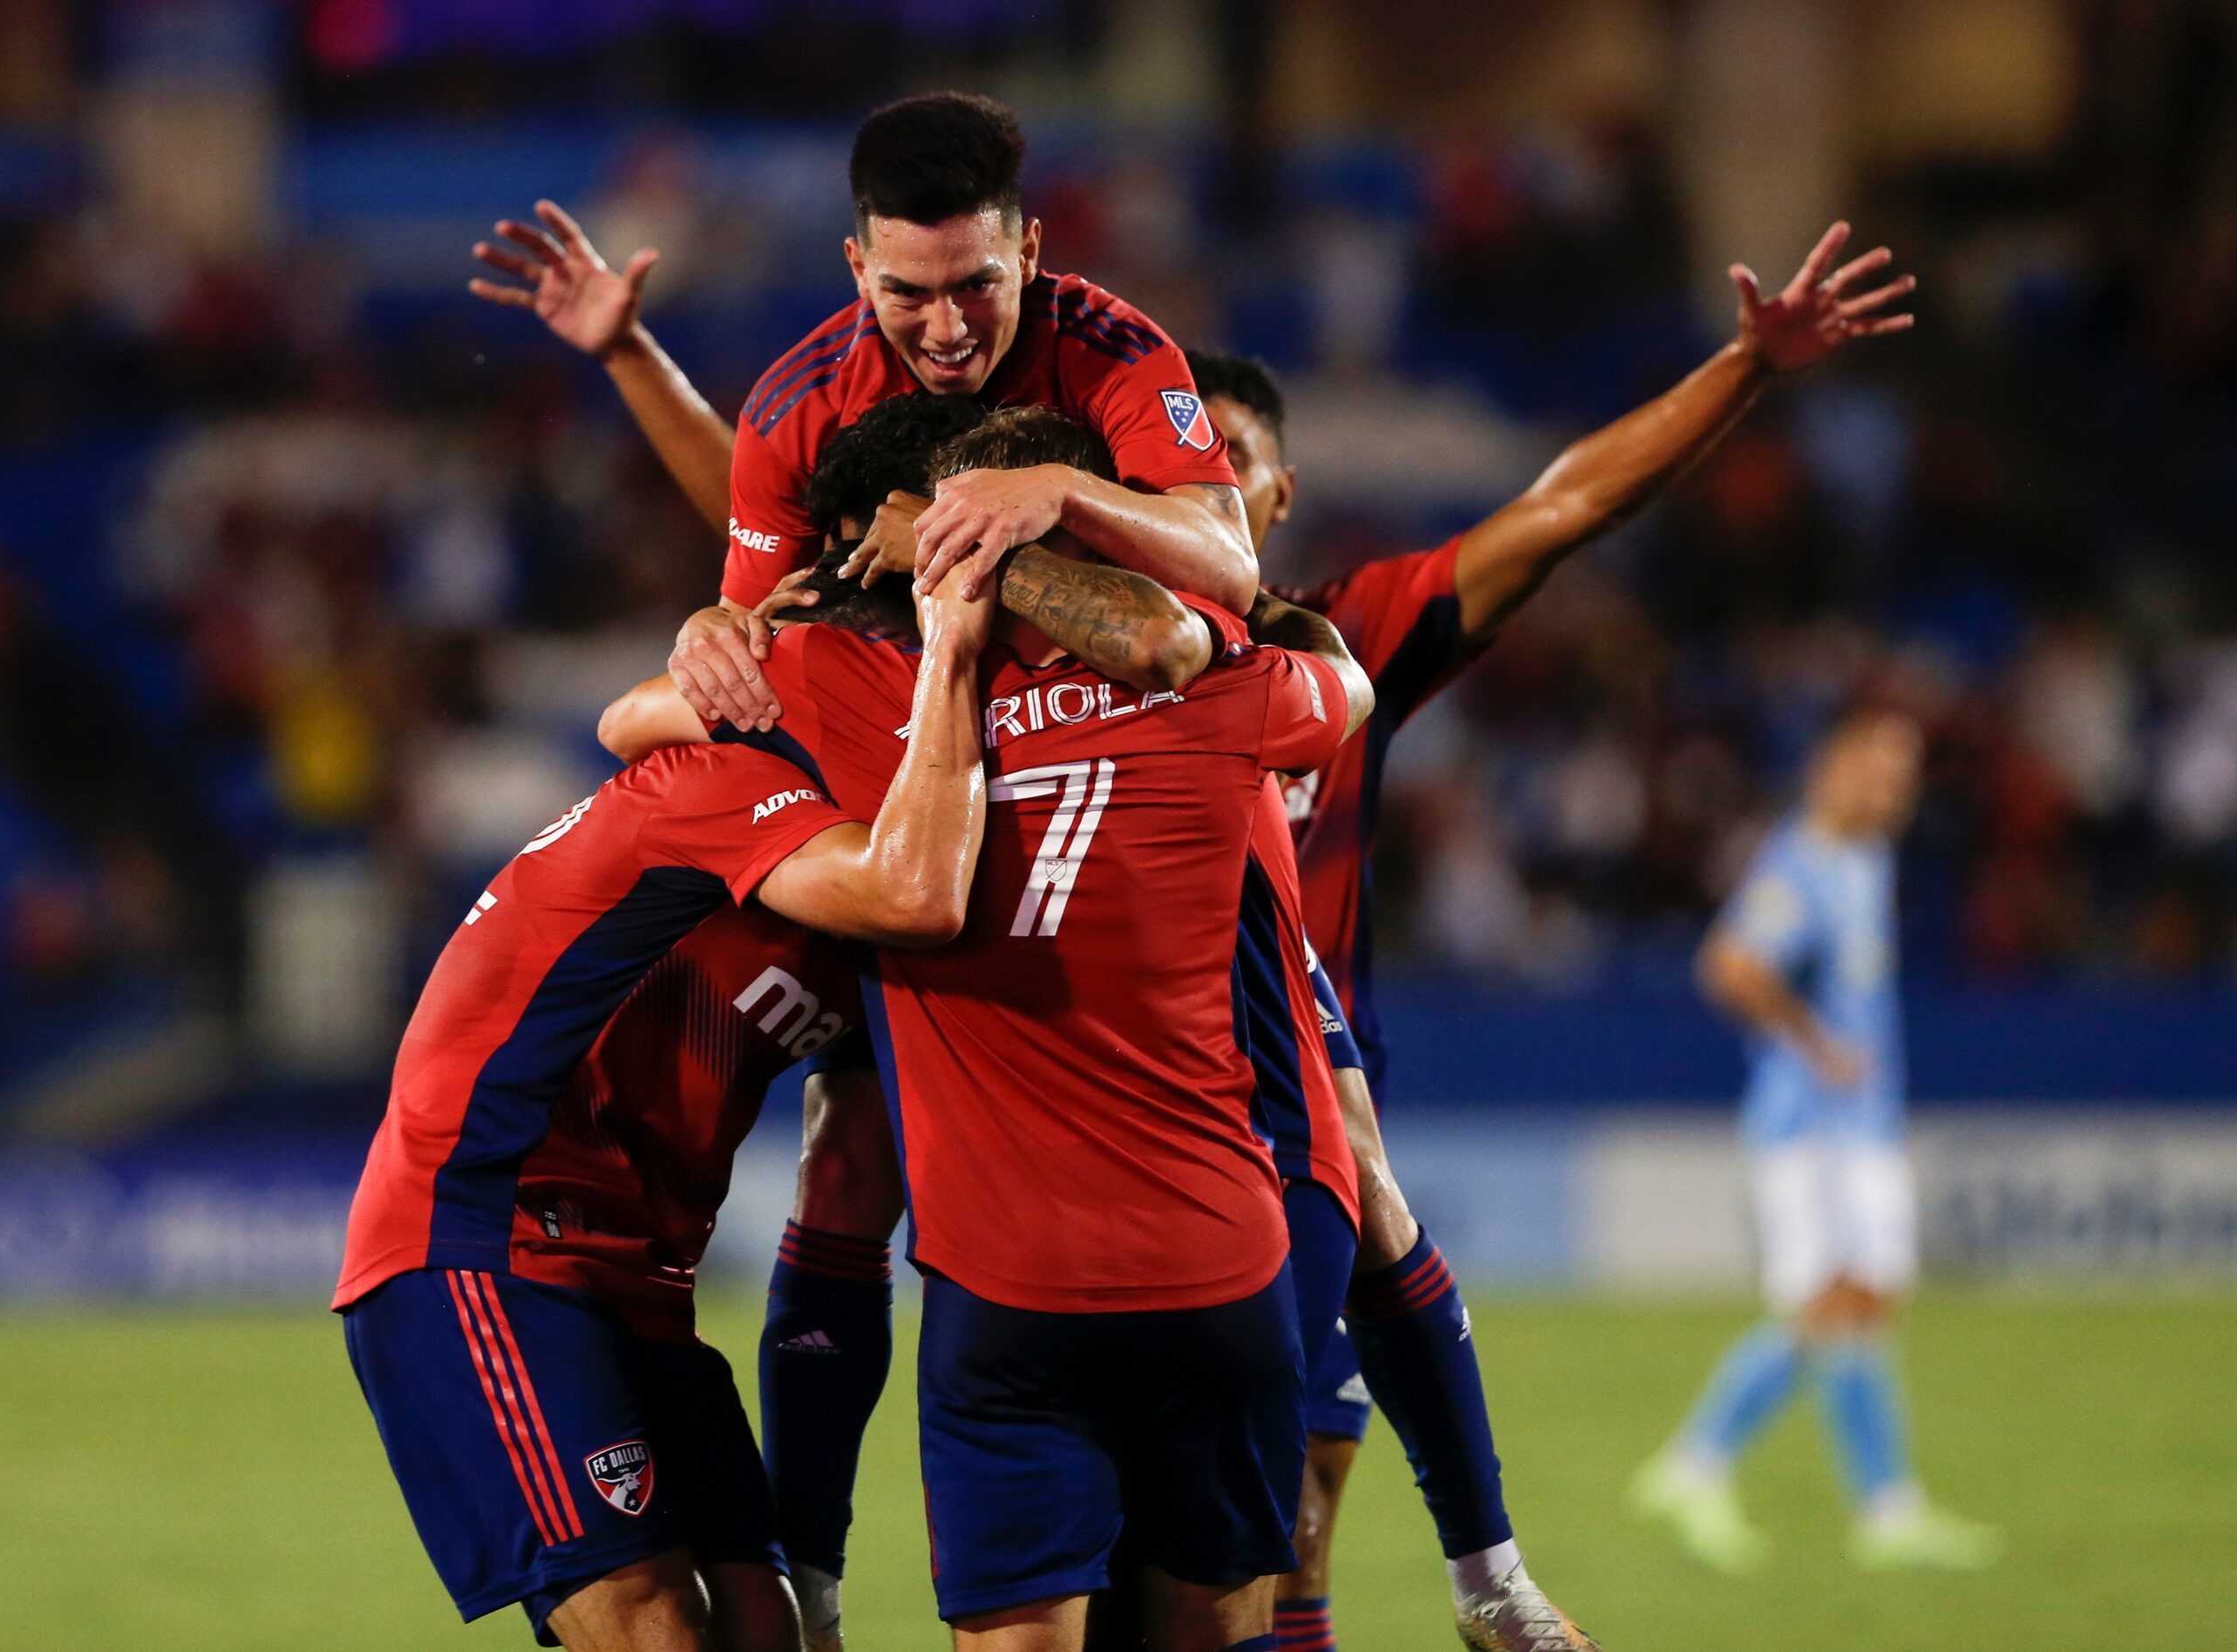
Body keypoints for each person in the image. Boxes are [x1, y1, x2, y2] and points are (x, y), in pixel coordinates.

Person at [1175, 216, 1916, 1648]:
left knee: (1293, 1525)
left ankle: (1482, 1581)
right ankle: (1487, 1576)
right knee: (1166, 1555)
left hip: (1304, 1135)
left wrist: (1744, 371)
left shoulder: (1340, 647)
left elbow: (1565, 504)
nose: (1200, 482)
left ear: (1277, 491)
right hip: (1131, 1132)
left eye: (1226, 459)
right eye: (1172, 460)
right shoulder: (1066, 665)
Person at [609, 406, 1371, 1652]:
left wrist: (728, 632)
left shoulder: (856, 702)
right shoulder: (1222, 684)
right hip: (1224, 1269)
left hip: (1009, 1293)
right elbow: (1338, 689)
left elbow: (631, 722)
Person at [332, 567, 994, 1652]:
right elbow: (905, 891)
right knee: (649, 1626)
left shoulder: (862, 889)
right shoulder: (717, 781)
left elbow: (852, 1202)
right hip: (488, 1232)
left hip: (639, 1275)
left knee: (767, 1626)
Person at [469, 90, 1256, 740]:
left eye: (976, 286)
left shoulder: (1110, 351)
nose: (947, 331)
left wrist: (1060, 489)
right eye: (907, 293)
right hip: (917, 731)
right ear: (858, 268)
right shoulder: (802, 402)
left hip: (1106, 704)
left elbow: (1231, 568)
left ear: (1029, 254)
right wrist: (716, 633)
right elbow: (761, 617)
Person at [1632, 707, 2003, 1574]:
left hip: (1860, 1126)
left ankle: (1880, 1508)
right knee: (1825, 1306)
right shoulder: (1795, 866)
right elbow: (1728, 966)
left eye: (1904, 779)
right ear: (1828, 770)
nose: (1892, 793)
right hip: (1809, 1131)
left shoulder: (1864, 859)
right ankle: (1701, 1465)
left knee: (1863, 1307)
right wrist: (1814, 1044)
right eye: (1876, 772)